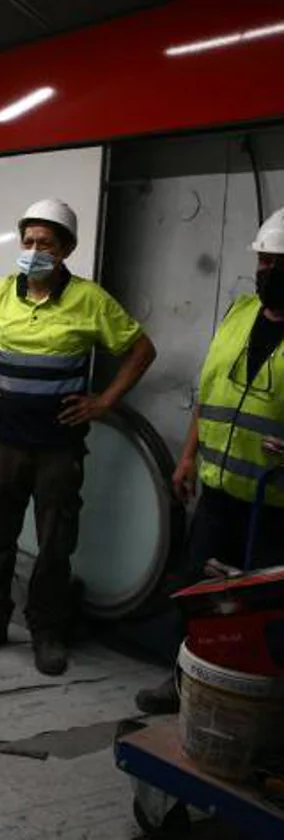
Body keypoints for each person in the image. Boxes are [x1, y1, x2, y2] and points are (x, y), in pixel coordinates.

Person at [0, 199, 157, 676]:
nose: (34, 250)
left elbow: (142, 349)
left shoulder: (90, 300)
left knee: (56, 542)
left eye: (45, 243)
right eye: (29, 241)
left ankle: (46, 631)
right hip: (3, 442)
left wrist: (105, 402)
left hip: (59, 447)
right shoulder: (2, 292)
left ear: (67, 250)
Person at [135, 207, 284, 714]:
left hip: (274, 505)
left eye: (278, 262)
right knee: (198, 592)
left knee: (261, 613)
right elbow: (211, 392)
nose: (268, 271)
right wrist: (187, 456)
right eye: (264, 261)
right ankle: (180, 683)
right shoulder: (240, 313)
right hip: (218, 492)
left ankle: (251, 704)